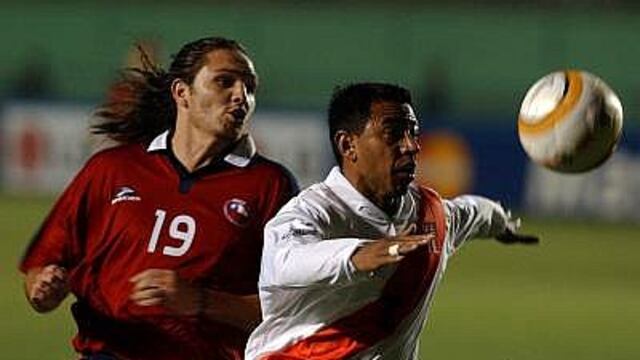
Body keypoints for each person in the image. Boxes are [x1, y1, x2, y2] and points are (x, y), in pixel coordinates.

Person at [20, 36, 297, 360]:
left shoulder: (271, 186)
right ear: (182, 92)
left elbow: (288, 312)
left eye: (250, 87)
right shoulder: (112, 169)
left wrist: (198, 300)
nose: (241, 96)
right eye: (225, 82)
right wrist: (44, 289)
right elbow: (44, 267)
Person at [245, 83, 538, 359]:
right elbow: (283, 261)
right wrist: (355, 255)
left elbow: (474, 213)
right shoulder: (314, 211)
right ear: (348, 145)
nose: (411, 146)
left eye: (413, 132)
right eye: (394, 133)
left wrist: (502, 223)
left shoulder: (432, 214)